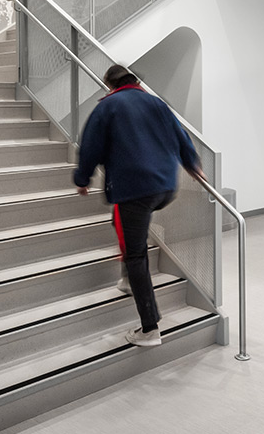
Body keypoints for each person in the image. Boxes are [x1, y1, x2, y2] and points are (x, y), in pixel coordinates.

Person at [73, 64, 202, 348]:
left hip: (135, 189)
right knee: (121, 221)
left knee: (135, 253)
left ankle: (149, 327)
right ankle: (128, 278)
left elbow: (90, 146)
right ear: (134, 82)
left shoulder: (108, 106)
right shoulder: (157, 103)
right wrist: (193, 165)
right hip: (166, 187)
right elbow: (182, 137)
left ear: (110, 85)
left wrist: (82, 179)